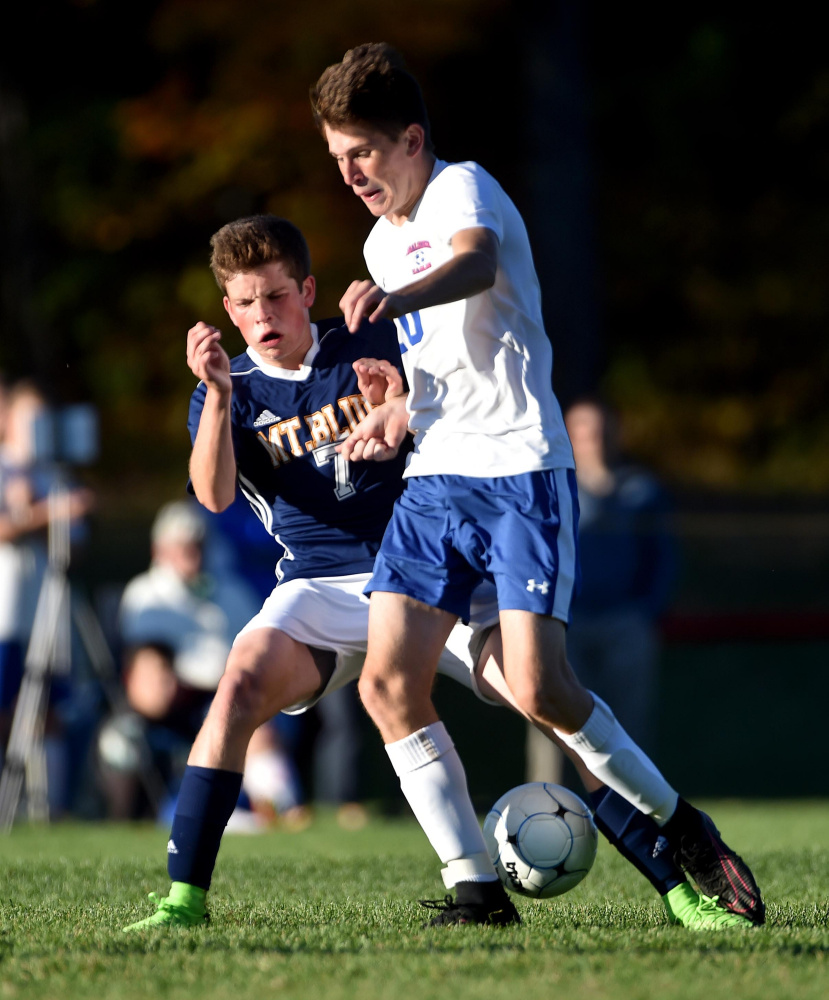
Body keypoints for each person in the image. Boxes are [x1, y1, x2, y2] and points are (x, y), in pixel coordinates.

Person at [123, 213, 757, 935]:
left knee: (540, 698)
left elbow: (457, 415)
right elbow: (211, 495)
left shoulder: (369, 338)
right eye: (244, 302)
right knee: (236, 687)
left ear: (306, 290)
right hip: (318, 587)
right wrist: (219, 398)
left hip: (429, 572)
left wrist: (399, 400)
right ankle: (185, 902)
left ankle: (681, 890)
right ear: (227, 310)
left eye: (275, 296)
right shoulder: (224, 387)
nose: (261, 316)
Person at [311, 42, 764, 929]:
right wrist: (394, 407)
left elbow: (476, 267)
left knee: (543, 686)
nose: (350, 174)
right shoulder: (378, 238)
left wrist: (393, 304)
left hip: (519, 469)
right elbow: (440, 369)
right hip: (436, 478)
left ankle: (680, 828)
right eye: (336, 159)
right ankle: (476, 892)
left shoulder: (460, 188)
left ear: (409, 139)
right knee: (385, 683)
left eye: (360, 153)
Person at [99, 498, 302, 824]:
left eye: (195, 546)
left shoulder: (231, 592)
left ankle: (281, 809)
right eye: (180, 547)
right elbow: (146, 670)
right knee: (120, 739)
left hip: (223, 694)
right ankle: (126, 817)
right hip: (167, 707)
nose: (189, 556)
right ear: (161, 550)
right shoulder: (144, 595)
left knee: (255, 727)